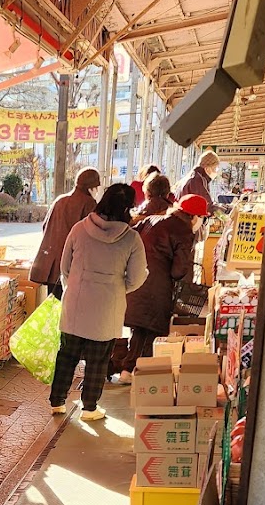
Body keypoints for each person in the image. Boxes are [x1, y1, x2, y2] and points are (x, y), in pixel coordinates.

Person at [48, 182, 147, 422]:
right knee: (98, 358)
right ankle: (89, 408)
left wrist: (76, 286)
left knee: (67, 354)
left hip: (77, 300)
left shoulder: (80, 229)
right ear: (128, 208)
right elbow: (136, 278)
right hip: (107, 305)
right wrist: (116, 287)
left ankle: (57, 402)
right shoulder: (131, 239)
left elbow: (65, 267)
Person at [109, 193, 208, 381]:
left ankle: (127, 371)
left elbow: (128, 239)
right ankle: (142, 375)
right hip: (157, 289)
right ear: (194, 217)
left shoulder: (152, 219)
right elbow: (178, 271)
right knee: (152, 333)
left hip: (134, 282)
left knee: (139, 330)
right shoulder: (183, 231)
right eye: (202, 218)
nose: (201, 223)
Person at [30, 167, 100, 298]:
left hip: (52, 263)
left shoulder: (60, 200)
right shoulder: (89, 204)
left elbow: (45, 226)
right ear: (91, 187)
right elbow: (92, 236)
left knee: (53, 305)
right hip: (72, 265)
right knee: (69, 308)